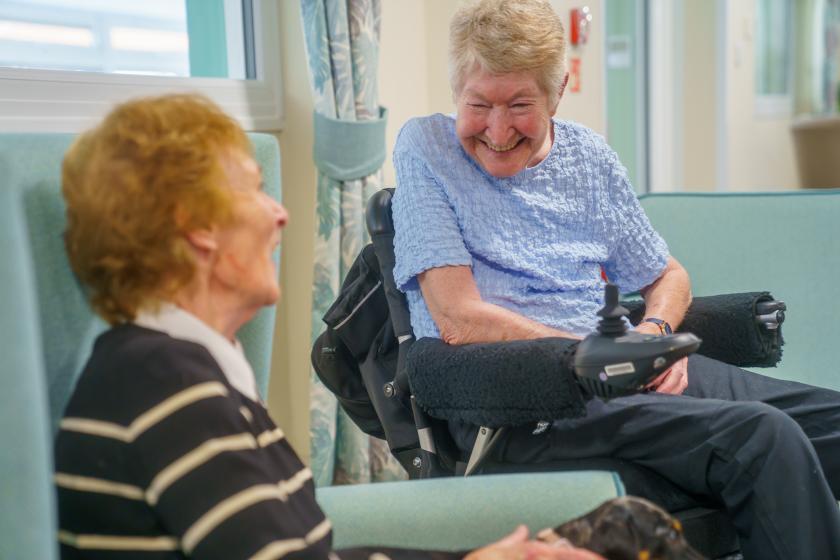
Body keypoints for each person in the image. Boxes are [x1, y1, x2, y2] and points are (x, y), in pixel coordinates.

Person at [53, 93, 602, 560]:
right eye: (252, 191)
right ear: (195, 228)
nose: (279, 214)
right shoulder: (166, 388)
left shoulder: (179, 372)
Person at [390, 1, 840, 559]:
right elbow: (457, 318)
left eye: (520, 105)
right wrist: (600, 357)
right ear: (456, 90)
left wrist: (651, 337)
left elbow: (667, 275)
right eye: (478, 104)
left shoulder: (588, 157)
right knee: (763, 440)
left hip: (620, 369)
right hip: (522, 399)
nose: (498, 129)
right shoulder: (427, 149)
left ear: (559, 93)